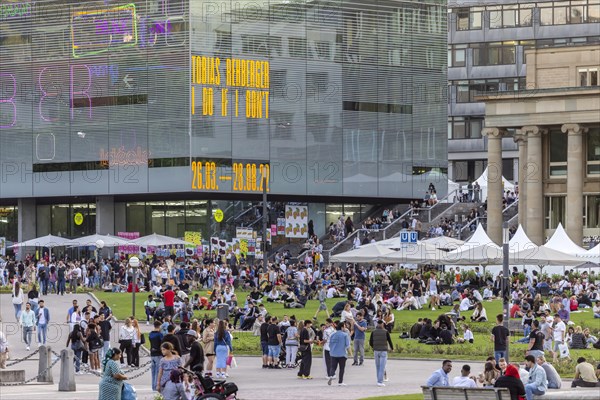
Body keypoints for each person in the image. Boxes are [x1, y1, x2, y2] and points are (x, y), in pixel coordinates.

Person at [328, 320, 350, 386]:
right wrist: (350, 353)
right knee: (342, 368)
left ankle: (331, 375)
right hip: (342, 354)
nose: (345, 328)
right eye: (344, 327)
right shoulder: (345, 335)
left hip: (333, 353)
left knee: (333, 367)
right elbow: (347, 345)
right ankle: (340, 382)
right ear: (342, 327)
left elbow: (330, 344)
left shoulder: (333, 335)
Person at [148, 320, 164, 391]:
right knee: (158, 371)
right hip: (158, 353)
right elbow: (162, 344)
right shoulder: (160, 334)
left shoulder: (150, 334)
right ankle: (156, 386)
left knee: (153, 371)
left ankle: (153, 386)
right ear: (159, 326)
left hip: (152, 353)